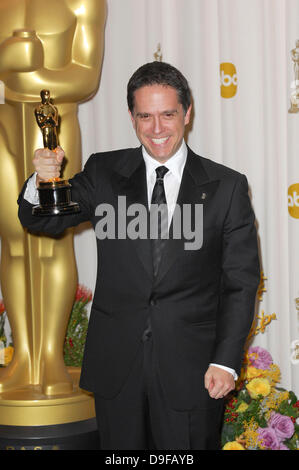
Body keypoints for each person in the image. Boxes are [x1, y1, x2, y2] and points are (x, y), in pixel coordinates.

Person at [18, 61, 260, 450]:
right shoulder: (103, 171)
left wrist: (227, 360)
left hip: (193, 369)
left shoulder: (226, 187)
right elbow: (41, 222)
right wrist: (42, 182)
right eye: (145, 116)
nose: (157, 128)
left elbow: (241, 283)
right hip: (118, 367)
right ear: (132, 117)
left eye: (168, 114)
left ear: (188, 112)